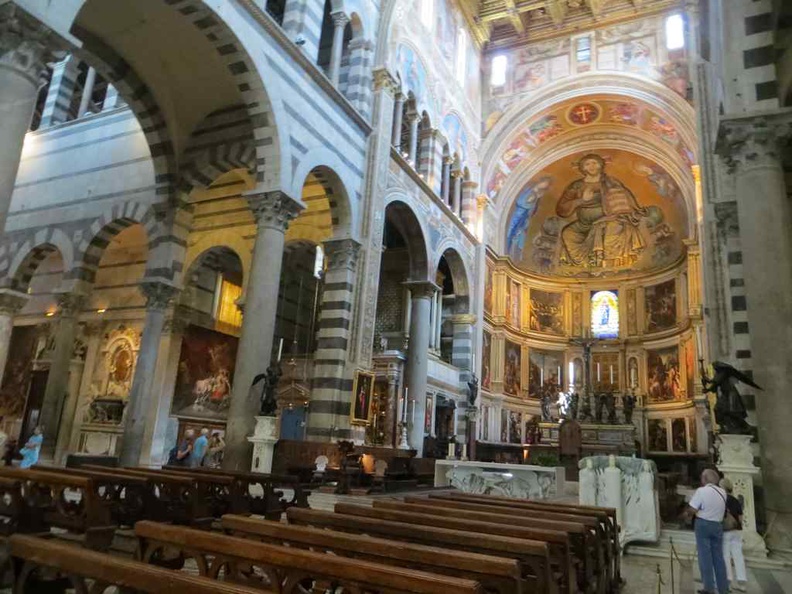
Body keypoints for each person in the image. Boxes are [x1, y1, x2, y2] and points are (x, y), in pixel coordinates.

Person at [685, 468, 729, 594]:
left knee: (705, 557)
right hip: (718, 525)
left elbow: (693, 509)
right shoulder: (723, 492)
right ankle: (723, 588)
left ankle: (708, 588)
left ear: (704, 479)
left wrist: (686, 513)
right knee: (718, 558)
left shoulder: (701, 491)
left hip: (703, 525)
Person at [720, 478, 747, 592]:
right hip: (737, 531)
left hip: (726, 532)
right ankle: (742, 582)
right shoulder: (736, 500)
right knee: (738, 556)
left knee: (725, 556)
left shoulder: (722, 499)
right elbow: (740, 517)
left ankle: (728, 581)